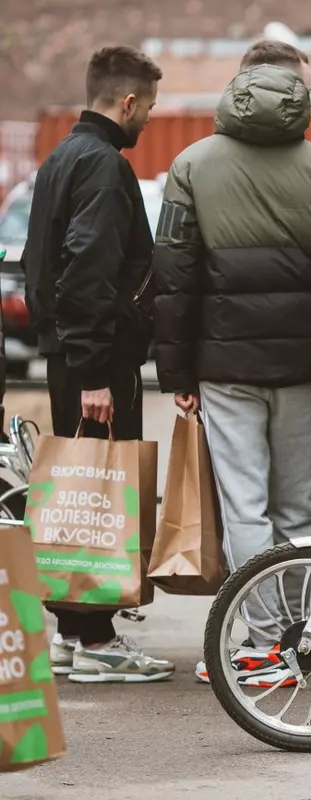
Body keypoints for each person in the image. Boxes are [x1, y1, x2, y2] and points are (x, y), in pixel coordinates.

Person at [151, 40, 311, 684]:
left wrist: (177, 374)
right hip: (303, 362)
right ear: (294, 89)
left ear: (239, 86)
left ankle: (267, 644)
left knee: (245, 507)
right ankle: (305, 638)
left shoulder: (191, 165)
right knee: (298, 507)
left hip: (223, 366)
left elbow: (174, 277)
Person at [20, 45, 174, 683]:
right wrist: (95, 374)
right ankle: (99, 640)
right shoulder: (105, 166)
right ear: (128, 102)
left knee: (75, 495)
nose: (150, 121)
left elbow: (40, 264)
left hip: (70, 353)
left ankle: (69, 633)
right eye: (150, 108)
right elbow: (86, 268)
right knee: (103, 495)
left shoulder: (61, 157)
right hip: (96, 361)